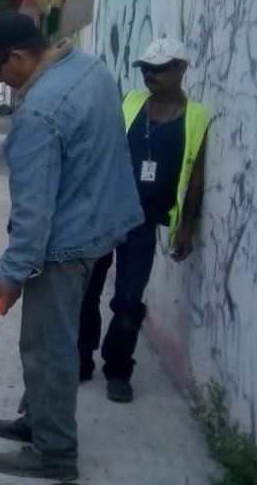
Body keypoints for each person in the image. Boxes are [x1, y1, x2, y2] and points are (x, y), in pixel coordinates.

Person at [0, 13, 143, 481]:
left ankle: (55, 452)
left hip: (64, 246)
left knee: (48, 347)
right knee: (55, 340)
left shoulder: (38, 113)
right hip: (102, 226)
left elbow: (33, 212)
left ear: (20, 57)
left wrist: (11, 273)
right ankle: (39, 420)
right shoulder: (90, 68)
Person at [79, 38, 210, 403]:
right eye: (145, 68)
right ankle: (81, 358)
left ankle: (118, 369)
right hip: (106, 213)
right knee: (87, 291)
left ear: (181, 69)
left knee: (128, 299)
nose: (150, 75)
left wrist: (186, 227)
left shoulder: (196, 117)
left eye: (160, 68)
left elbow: (196, 175)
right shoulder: (132, 102)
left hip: (145, 219)